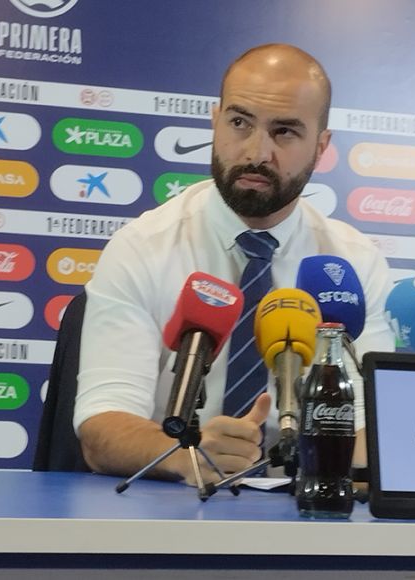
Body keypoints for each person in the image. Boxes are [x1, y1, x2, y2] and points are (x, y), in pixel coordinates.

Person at [73, 43, 395, 485]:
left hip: (308, 510)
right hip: (171, 513)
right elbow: (102, 427)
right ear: (215, 120)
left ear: (320, 147)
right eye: (240, 122)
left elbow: (371, 422)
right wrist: (184, 453)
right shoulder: (142, 247)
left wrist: (321, 451)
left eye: (284, 132)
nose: (257, 152)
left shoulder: (352, 263)